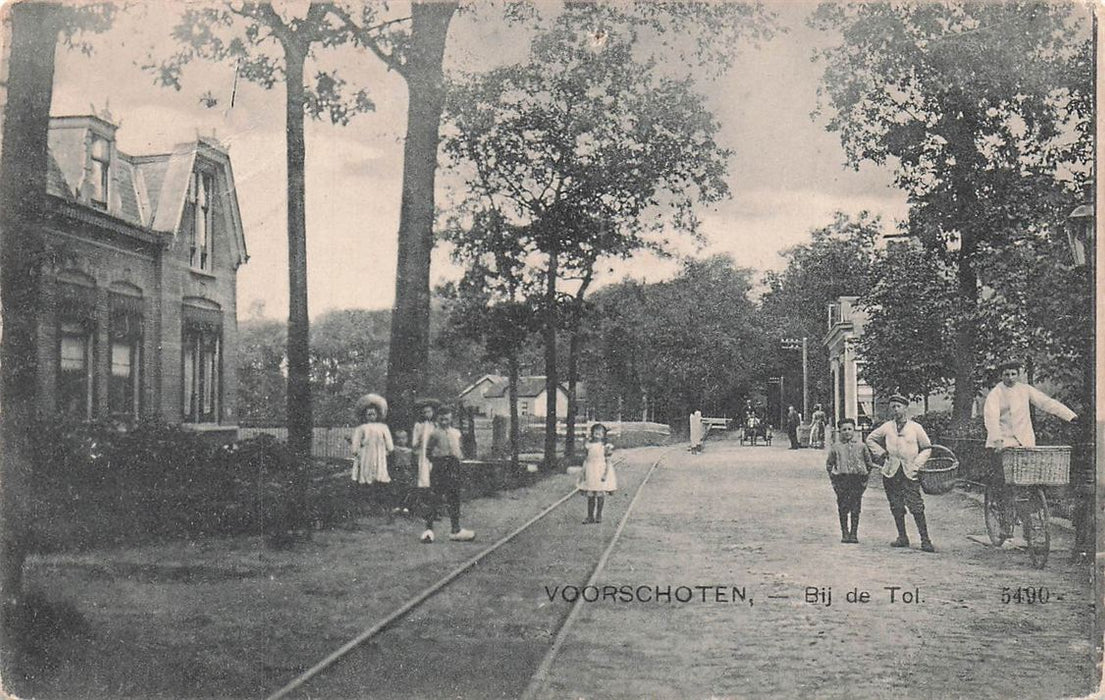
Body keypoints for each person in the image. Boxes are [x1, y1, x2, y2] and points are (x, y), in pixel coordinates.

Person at [984, 360, 1078, 484]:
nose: (1010, 378)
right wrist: (997, 440)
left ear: (1018, 375)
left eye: (1013, 374)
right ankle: (1002, 500)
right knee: (1004, 479)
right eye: (1007, 374)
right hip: (1004, 440)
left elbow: (1045, 402)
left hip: (1024, 439)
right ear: (1001, 376)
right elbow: (991, 418)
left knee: (1028, 476)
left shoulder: (1025, 389)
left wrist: (1069, 415)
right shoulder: (996, 393)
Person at [865, 394, 935, 552]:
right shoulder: (887, 427)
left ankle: (925, 539)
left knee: (916, 505)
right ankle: (902, 536)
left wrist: (917, 464)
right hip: (891, 471)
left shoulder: (915, 428)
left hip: (910, 471)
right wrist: (882, 454)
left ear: (905, 408)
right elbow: (870, 439)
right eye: (893, 407)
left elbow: (927, 448)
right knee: (896, 505)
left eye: (899, 406)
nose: (896, 410)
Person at [421, 407, 475, 543]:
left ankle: (455, 530)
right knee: (434, 497)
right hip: (440, 466)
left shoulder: (456, 433)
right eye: (441, 419)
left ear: (451, 419)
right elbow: (428, 452)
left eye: (447, 419)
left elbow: (460, 448)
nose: (444, 421)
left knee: (454, 497)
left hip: (454, 465)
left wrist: (458, 460)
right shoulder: (434, 434)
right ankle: (428, 530)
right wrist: (437, 461)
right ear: (437, 419)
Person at [826, 418, 875, 543]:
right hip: (842, 479)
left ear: (854, 430)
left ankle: (854, 533)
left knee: (855, 507)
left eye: (849, 429)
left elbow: (869, 464)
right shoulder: (836, 447)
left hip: (857, 479)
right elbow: (829, 464)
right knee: (843, 507)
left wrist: (864, 479)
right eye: (844, 430)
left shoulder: (861, 446)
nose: (847, 432)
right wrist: (834, 480)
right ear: (839, 432)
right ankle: (845, 532)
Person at [577, 423, 617, 524]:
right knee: (590, 494)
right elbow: (586, 459)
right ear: (592, 433)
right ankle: (590, 516)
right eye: (595, 431)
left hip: (601, 470)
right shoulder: (589, 445)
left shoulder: (605, 447)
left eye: (600, 432)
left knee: (600, 493)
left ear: (604, 435)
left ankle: (598, 515)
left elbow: (607, 462)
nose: (597, 433)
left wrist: (605, 474)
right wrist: (584, 472)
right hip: (590, 469)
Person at [351, 394, 394, 486]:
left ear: (377, 414)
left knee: (379, 472)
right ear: (365, 415)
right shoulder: (362, 428)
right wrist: (356, 451)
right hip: (366, 453)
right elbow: (356, 441)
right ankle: (366, 485)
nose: (371, 416)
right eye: (369, 414)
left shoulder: (383, 427)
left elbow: (388, 441)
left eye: (373, 414)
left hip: (379, 452)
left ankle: (379, 484)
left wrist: (389, 449)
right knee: (367, 471)